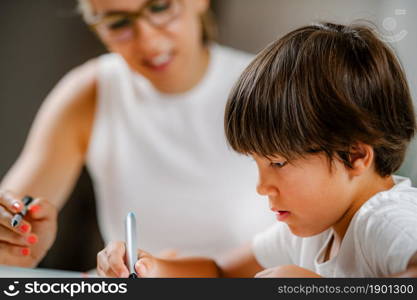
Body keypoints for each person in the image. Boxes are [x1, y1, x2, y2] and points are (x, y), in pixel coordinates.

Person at [97, 22, 417, 277]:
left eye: (277, 162)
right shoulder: (314, 229)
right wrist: (150, 268)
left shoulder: (386, 221)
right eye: (257, 163)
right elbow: (221, 272)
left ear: (355, 155)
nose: (261, 186)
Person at [0, 0, 273, 269]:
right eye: (117, 23)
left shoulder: (271, 89)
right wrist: (12, 251)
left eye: (160, 8)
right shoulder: (89, 94)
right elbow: (11, 217)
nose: (148, 42)